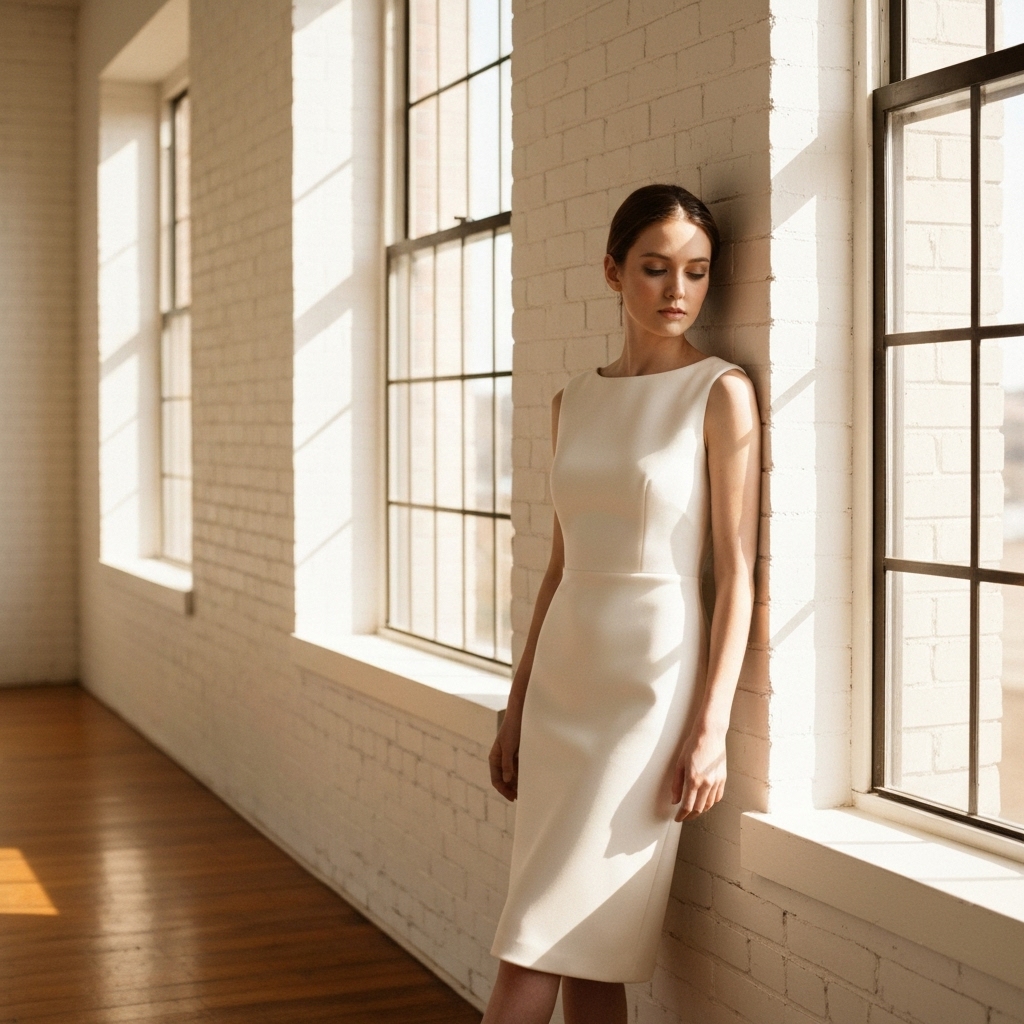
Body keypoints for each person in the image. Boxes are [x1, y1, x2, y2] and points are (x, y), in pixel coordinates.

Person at [481, 184, 761, 1024]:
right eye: (655, 269)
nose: (678, 292)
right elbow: (560, 566)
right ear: (612, 271)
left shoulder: (720, 392)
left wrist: (709, 732)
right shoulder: (573, 399)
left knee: (534, 937)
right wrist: (516, 702)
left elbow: (737, 570)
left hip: (648, 690)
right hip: (565, 679)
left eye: (697, 272)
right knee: (584, 952)